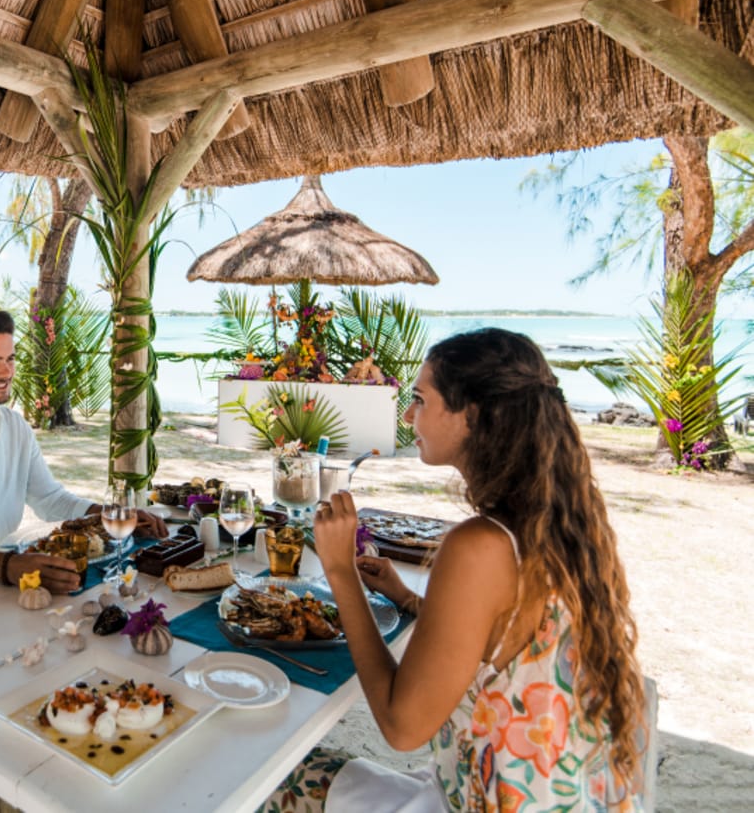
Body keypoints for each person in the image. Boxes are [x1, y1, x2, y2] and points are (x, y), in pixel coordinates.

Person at [264, 328, 646, 812]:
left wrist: (340, 571)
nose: (408, 415)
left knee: (272, 779)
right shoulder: (551, 523)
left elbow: (402, 727)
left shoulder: (480, 546)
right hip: (543, 793)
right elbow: (498, 639)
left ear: (474, 415)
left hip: (477, 801)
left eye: (421, 400)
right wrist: (407, 599)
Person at [0, 308, 167, 592]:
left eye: (10, 359)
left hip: (3, 586)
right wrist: (10, 565)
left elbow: (50, 499)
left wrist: (110, 516)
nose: (6, 371)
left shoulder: (16, 428)